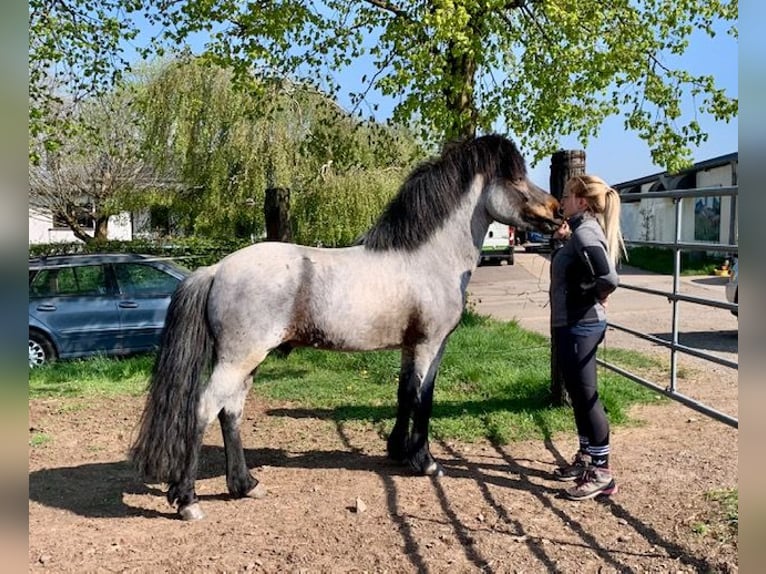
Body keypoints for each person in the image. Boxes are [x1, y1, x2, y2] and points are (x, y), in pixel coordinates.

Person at [549, 174, 626, 501]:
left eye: (567, 195)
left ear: (582, 201)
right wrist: (562, 244)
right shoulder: (577, 232)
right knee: (579, 395)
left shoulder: (586, 232)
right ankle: (586, 458)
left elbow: (608, 277)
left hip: (581, 325)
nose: (561, 200)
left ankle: (602, 473)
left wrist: (591, 293)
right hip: (571, 324)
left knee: (586, 396)